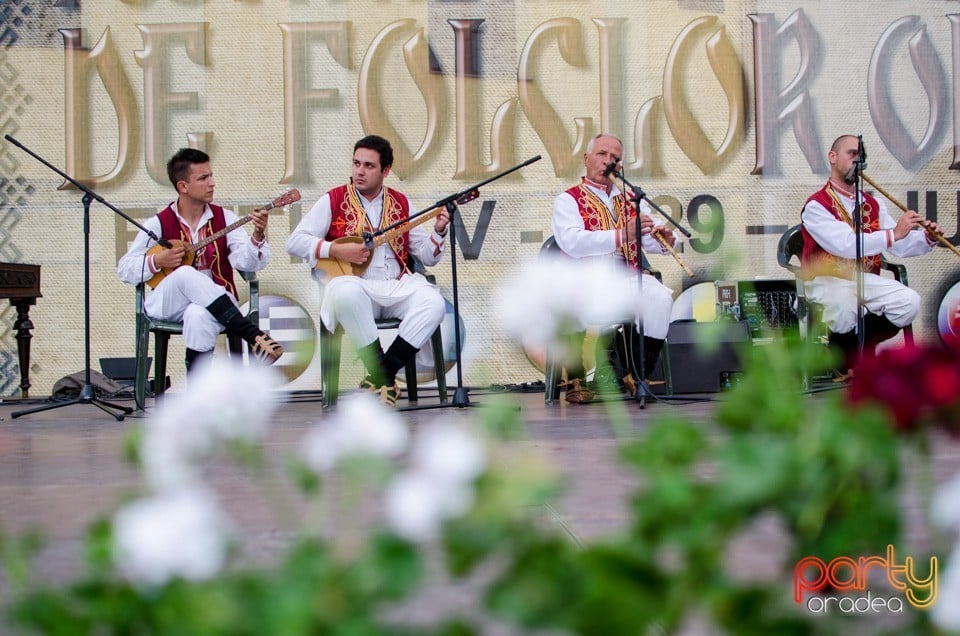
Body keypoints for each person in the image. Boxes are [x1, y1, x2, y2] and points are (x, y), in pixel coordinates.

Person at [285, 135, 449, 406]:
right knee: (344, 291)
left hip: (396, 286)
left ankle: (381, 374)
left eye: (369, 166)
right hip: (357, 288)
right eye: (356, 163)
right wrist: (335, 250)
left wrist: (439, 230)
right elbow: (295, 242)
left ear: (385, 171)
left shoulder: (401, 203)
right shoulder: (334, 199)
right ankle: (383, 377)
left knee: (433, 303)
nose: (360, 171)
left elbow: (428, 257)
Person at [118, 147, 283, 372]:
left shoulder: (224, 218)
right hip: (169, 303)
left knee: (198, 315)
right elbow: (125, 269)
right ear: (183, 186)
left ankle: (198, 394)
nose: (212, 183)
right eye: (203, 178)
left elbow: (250, 264)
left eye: (211, 175)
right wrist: (158, 261)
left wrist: (257, 235)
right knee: (185, 274)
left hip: (216, 302)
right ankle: (252, 334)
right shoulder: (158, 223)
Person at [552, 133, 678, 403]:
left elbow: (648, 238)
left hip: (624, 279)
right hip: (582, 281)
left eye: (615, 158)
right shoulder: (568, 200)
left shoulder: (631, 200)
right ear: (586, 159)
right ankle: (576, 376)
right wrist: (622, 235)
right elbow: (572, 242)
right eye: (602, 154)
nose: (608, 162)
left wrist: (667, 241)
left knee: (658, 297)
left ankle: (636, 374)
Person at [801, 134, 941, 375]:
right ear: (832, 158)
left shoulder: (872, 204)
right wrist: (894, 233)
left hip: (862, 279)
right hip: (826, 280)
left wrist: (925, 238)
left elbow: (897, 245)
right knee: (845, 307)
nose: (858, 161)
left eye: (861, 156)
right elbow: (845, 245)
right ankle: (847, 359)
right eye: (852, 154)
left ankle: (852, 353)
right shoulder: (817, 205)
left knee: (908, 302)